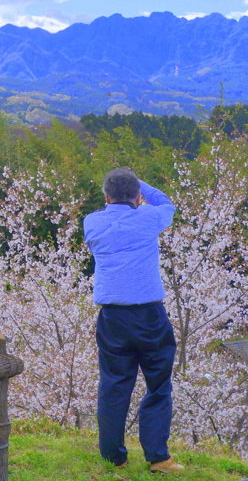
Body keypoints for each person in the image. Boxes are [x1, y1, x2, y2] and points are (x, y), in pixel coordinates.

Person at [83, 167, 183, 474]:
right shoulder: (148, 218)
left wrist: (129, 191)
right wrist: (142, 185)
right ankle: (158, 458)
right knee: (158, 385)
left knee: (114, 385)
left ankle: (115, 457)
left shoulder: (92, 222)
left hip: (112, 317)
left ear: (106, 196)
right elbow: (167, 204)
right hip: (149, 315)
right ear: (138, 196)